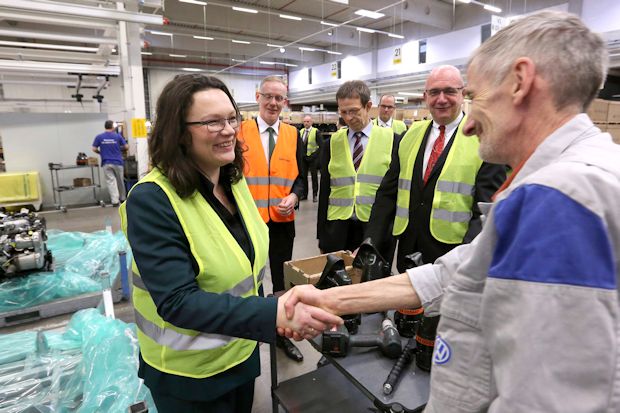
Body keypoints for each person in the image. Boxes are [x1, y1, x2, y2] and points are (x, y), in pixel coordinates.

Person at [283, 10, 620, 412]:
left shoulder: (564, 199)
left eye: (474, 96)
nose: (470, 123)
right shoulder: (558, 183)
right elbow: (451, 273)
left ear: (520, 82)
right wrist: (332, 300)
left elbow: (553, 396)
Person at [119, 74, 341, 412]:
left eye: (231, 118)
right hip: (190, 375)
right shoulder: (152, 199)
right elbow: (178, 301)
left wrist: (278, 311)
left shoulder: (233, 181)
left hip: (240, 352)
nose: (227, 130)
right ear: (178, 131)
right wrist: (274, 313)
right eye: (211, 122)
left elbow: (245, 273)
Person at [366, 65, 506, 272]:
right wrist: (370, 242)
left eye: (449, 91)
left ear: (463, 93)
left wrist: (468, 258)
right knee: (407, 305)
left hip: (453, 255)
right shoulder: (409, 136)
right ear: (425, 96)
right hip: (408, 250)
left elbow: (486, 209)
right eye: (434, 92)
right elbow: (387, 194)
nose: (441, 99)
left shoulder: (485, 139)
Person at [238, 75, 307, 362]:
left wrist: (294, 197)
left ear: (285, 102)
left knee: (281, 282)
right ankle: (251, 335)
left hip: (281, 222)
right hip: (245, 222)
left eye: (279, 98)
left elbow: (301, 178)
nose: (274, 103)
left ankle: (280, 335)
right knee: (249, 280)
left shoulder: (293, 135)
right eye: (269, 96)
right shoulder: (239, 131)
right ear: (258, 97)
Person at [317, 80, 397, 253]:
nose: (348, 118)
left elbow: (395, 193)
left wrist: (390, 233)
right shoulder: (331, 143)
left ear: (368, 106)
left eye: (353, 111)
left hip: (375, 229)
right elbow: (325, 191)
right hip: (337, 230)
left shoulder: (393, 140)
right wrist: (322, 236)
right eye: (343, 112)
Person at [92, 120, 128, 206]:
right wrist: (120, 149)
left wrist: (101, 153)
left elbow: (94, 148)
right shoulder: (118, 136)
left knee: (111, 182)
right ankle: (123, 199)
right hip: (118, 162)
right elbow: (126, 147)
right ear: (113, 127)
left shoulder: (99, 137)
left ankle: (115, 201)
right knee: (120, 181)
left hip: (106, 162)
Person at [300, 115, 320, 202]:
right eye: (305, 121)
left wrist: (314, 156)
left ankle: (315, 195)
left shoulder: (316, 131)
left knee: (314, 177)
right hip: (303, 158)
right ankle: (304, 195)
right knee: (303, 177)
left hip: (313, 158)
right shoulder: (301, 131)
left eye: (308, 121)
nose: (306, 123)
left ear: (311, 122)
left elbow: (321, 146)